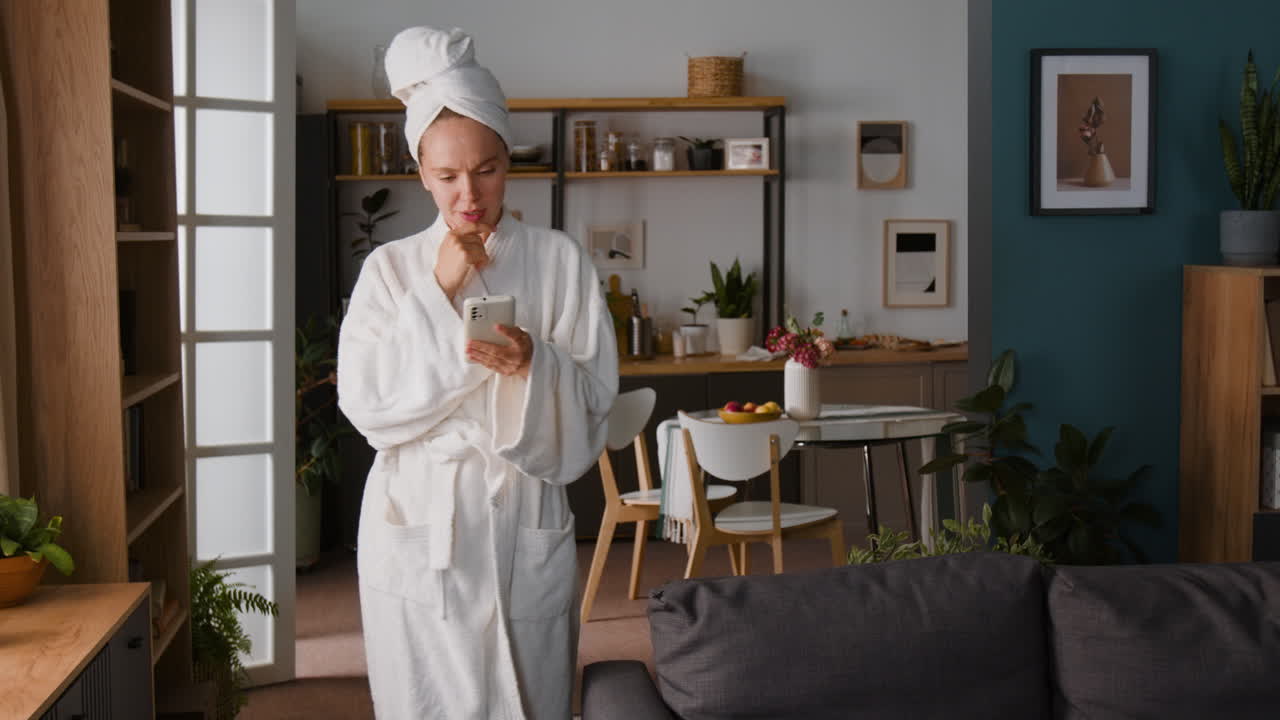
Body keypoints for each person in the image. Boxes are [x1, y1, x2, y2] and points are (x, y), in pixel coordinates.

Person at [336, 25, 618, 719]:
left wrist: (533, 365)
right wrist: (437, 288)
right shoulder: (391, 270)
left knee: (532, 690)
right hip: (420, 521)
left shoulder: (558, 261)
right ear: (421, 172)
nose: (469, 193)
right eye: (447, 175)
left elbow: (593, 405)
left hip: (522, 513)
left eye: (487, 168)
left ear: (507, 159)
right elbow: (367, 404)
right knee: (424, 698)